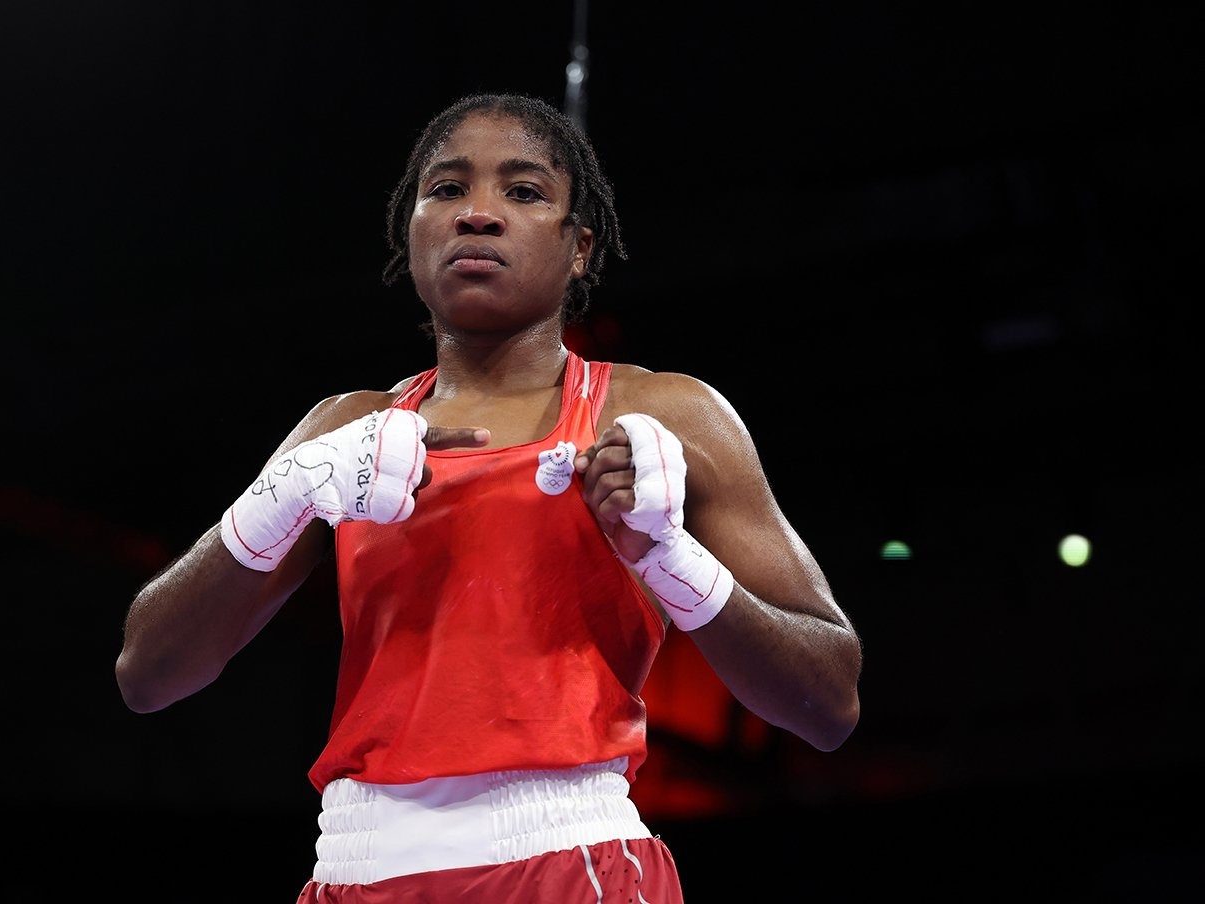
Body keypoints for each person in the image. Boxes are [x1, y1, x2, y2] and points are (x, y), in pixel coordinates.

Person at [115, 92, 863, 902]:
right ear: (412, 231)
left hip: (566, 863)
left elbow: (829, 703)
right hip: (353, 874)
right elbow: (147, 675)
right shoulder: (346, 432)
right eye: (446, 189)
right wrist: (285, 495)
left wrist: (668, 558)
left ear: (581, 248)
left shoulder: (662, 415)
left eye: (524, 191)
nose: (478, 214)